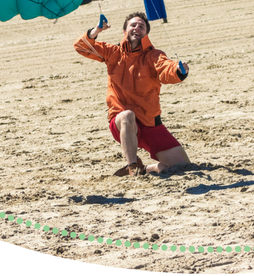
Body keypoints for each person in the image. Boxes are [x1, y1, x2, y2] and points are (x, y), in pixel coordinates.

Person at [74, 11, 191, 176]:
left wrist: (179, 70)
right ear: (124, 31)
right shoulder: (112, 52)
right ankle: (132, 166)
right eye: (133, 25)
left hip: (150, 123)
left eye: (142, 26)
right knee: (128, 115)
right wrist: (97, 30)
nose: (137, 28)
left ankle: (145, 169)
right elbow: (81, 46)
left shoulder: (153, 55)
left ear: (146, 33)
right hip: (122, 124)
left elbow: (166, 68)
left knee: (182, 166)